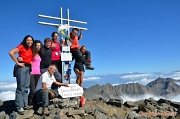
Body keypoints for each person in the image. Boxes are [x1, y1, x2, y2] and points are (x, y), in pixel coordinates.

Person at [9, 35, 34, 115]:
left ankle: (25, 104)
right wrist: (18, 62)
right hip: (21, 68)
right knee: (20, 87)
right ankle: (19, 106)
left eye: (31, 40)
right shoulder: (21, 46)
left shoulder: (30, 48)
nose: (29, 41)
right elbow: (11, 52)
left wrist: (30, 62)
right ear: (25, 41)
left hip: (28, 67)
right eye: (28, 40)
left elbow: (28, 57)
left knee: (26, 87)